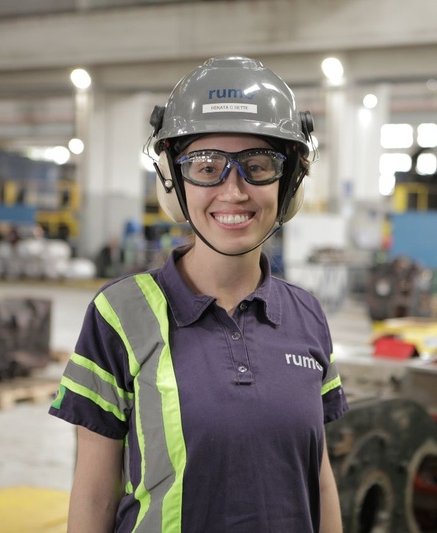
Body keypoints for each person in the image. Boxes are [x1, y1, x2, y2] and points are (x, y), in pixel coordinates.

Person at [48, 55, 348, 533]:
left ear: (290, 182)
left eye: (258, 165)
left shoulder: (307, 314)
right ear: (173, 181)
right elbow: (94, 495)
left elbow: (320, 479)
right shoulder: (119, 314)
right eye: (206, 167)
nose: (234, 191)